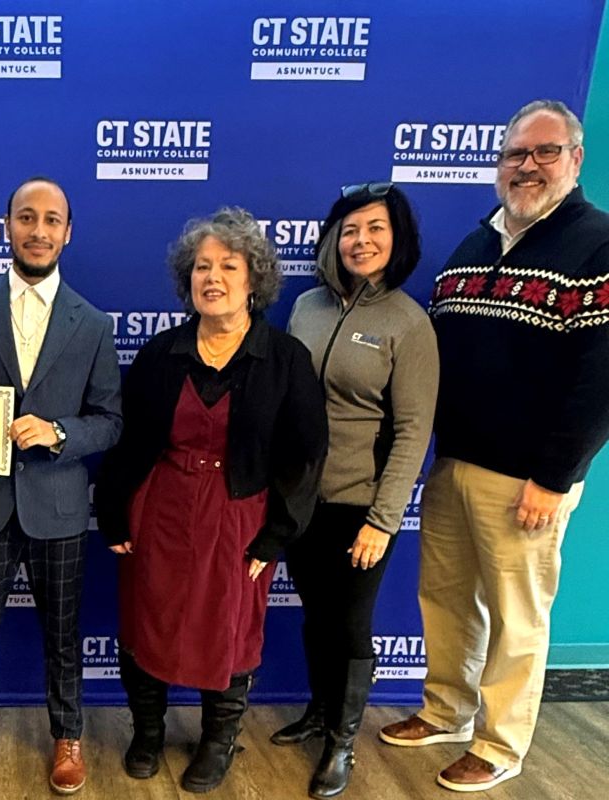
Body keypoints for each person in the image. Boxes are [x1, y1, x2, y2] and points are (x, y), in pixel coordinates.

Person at [379, 99, 609, 792]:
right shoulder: (476, 244)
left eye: (545, 152)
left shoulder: (595, 244)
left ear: (575, 159)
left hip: (529, 477)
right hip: (455, 461)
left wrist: (554, 475)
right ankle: (447, 709)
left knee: (516, 615)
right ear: (499, 163)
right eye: (516, 154)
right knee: (446, 599)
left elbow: (600, 378)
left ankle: (501, 742)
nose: (528, 166)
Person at [95, 208, 328, 794]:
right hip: (160, 508)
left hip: (239, 513)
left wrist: (277, 534)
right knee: (148, 622)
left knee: (229, 630)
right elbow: (129, 442)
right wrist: (115, 509)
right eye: (202, 266)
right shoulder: (159, 354)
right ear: (187, 279)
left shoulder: (285, 359)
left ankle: (216, 741)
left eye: (228, 264)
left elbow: (306, 454)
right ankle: (147, 733)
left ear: (255, 280)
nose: (213, 276)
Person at [0, 177, 122, 795]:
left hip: (59, 508)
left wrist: (59, 432)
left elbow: (111, 421)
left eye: (52, 220)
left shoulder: (92, 324)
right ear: (6, 225)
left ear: (68, 232)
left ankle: (68, 735)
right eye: (26, 217)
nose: (39, 230)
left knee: (63, 633)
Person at [276, 183, 438, 798]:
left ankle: (342, 742)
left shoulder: (408, 323)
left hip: (361, 506)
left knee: (349, 624)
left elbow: (414, 430)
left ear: (396, 239)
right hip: (301, 499)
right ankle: (319, 712)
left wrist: (383, 519)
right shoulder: (307, 308)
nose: (360, 240)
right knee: (318, 616)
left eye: (375, 229)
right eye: (349, 230)